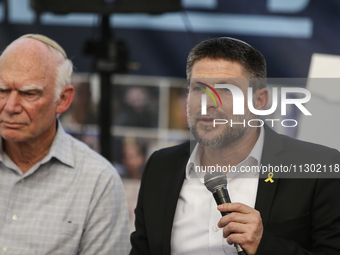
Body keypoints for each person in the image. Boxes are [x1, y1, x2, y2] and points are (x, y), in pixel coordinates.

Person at [130, 37, 340, 255]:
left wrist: (264, 244)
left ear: (259, 101)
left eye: (225, 90)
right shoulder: (161, 166)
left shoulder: (318, 168)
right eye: (199, 89)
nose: (207, 103)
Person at [0, 34, 130, 254]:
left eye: (29, 93)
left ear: (63, 100)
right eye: (2, 91)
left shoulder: (97, 181)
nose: (11, 106)